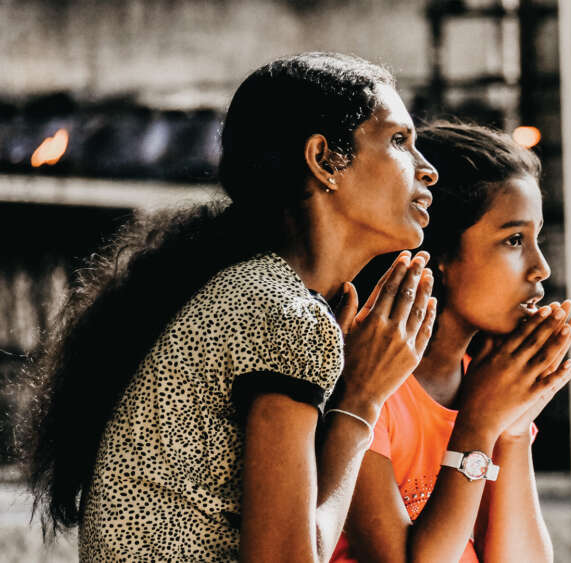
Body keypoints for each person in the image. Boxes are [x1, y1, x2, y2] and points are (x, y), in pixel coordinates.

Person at [27, 52, 440, 562]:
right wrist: (362, 400)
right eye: (399, 141)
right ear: (324, 159)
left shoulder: (263, 293)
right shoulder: (282, 311)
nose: (429, 170)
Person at [330, 123, 571, 562]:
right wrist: (478, 427)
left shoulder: (483, 380)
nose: (540, 267)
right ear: (440, 255)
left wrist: (514, 429)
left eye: (535, 238)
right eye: (514, 240)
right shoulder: (366, 382)